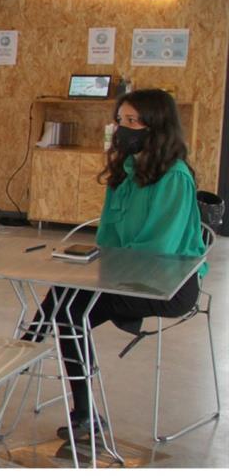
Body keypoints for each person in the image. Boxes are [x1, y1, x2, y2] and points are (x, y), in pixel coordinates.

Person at [25, 89, 207, 441]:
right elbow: (107, 236)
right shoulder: (124, 171)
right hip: (125, 274)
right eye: (120, 121)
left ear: (156, 126)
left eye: (133, 122)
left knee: (70, 309)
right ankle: (79, 407)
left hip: (168, 284)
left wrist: (105, 275)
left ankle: (31, 345)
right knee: (67, 304)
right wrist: (93, 267)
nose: (123, 129)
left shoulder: (175, 176)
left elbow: (159, 248)